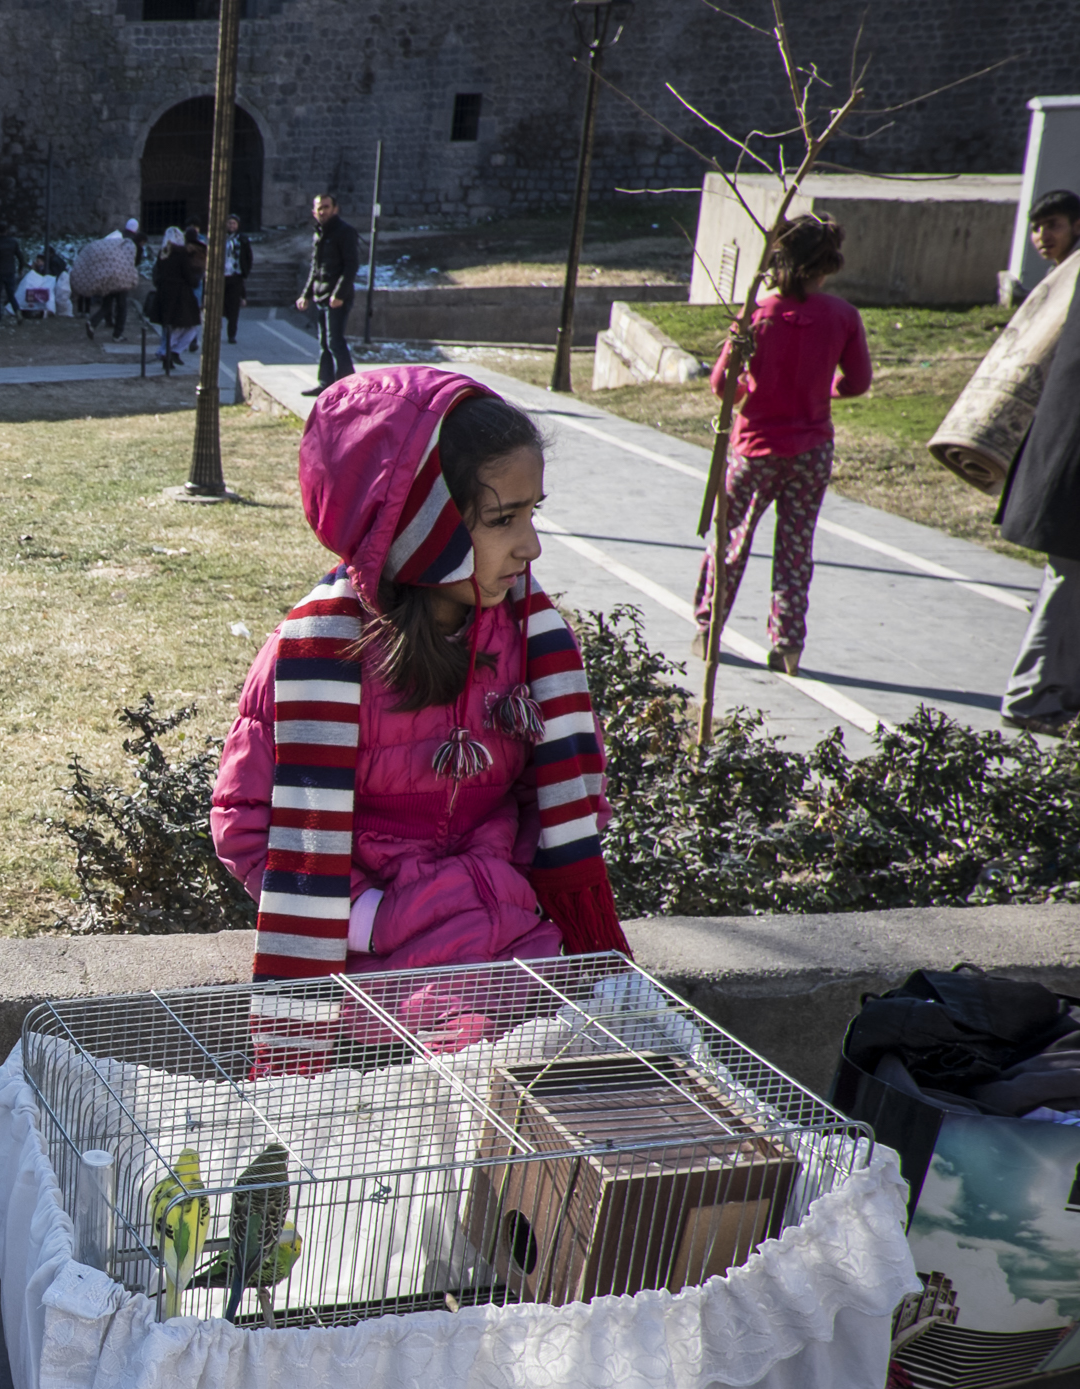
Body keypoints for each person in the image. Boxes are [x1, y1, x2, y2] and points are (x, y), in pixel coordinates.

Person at [212, 365, 629, 999]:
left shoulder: (529, 641)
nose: (531, 548)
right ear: (419, 525)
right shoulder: (315, 659)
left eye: (532, 513)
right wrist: (372, 920)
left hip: (510, 934)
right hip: (371, 969)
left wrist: (500, 881)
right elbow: (247, 821)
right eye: (502, 520)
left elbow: (559, 793)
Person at [688, 213, 870, 678]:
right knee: (794, 547)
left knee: (731, 541)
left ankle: (710, 628)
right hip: (811, 449)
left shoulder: (758, 316)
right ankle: (788, 644)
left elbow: (721, 384)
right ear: (827, 264)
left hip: (755, 448)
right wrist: (825, 391)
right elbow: (857, 382)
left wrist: (750, 381)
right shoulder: (843, 318)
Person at [997, 192, 1080, 732]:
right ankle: (1030, 697)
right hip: (1070, 458)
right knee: (1067, 579)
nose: (1041, 237)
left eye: (1052, 225)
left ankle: (1060, 693)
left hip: (1062, 455)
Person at [296, 192, 359, 394]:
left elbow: (351, 266)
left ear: (335, 209)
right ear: (313, 211)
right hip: (321, 296)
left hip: (337, 298)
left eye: (326, 207)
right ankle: (325, 384)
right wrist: (305, 295)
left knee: (335, 342)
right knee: (324, 342)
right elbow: (316, 267)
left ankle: (349, 386)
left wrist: (339, 294)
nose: (322, 211)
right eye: (319, 208)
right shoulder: (319, 233)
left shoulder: (344, 232)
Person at [69, 224, 138, 340]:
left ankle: (93, 322)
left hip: (108, 279)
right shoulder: (125, 242)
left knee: (106, 305)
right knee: (122, 307)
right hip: (120, 279)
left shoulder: (111, 239)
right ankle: (117, 334)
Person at [153, 226, 202, 374]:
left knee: (170, 326)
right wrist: (196, 280)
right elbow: (187, 274)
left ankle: (167, 353)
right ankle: (170, 351)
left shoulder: (163, 253)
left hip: (164, 293)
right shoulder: (181, 254)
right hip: (181, 294)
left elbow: (157, 273)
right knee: (191, 325)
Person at [221, 213, 253, 345]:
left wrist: (245, 271)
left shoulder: (242, 239)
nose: (231, 226)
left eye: (234, 223)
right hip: (222, 276)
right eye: (229, 223)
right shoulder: (220, 237)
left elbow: (248, 257)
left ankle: (231, 334)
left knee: (234, 307)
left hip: (236, 275)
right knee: (221, 305)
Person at [0, 226, 22, 324]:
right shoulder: (13, 242)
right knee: (11, 294)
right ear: (6, 231)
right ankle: (17, 311)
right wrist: (20, 268)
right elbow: (20, 257)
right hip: (10, 271)